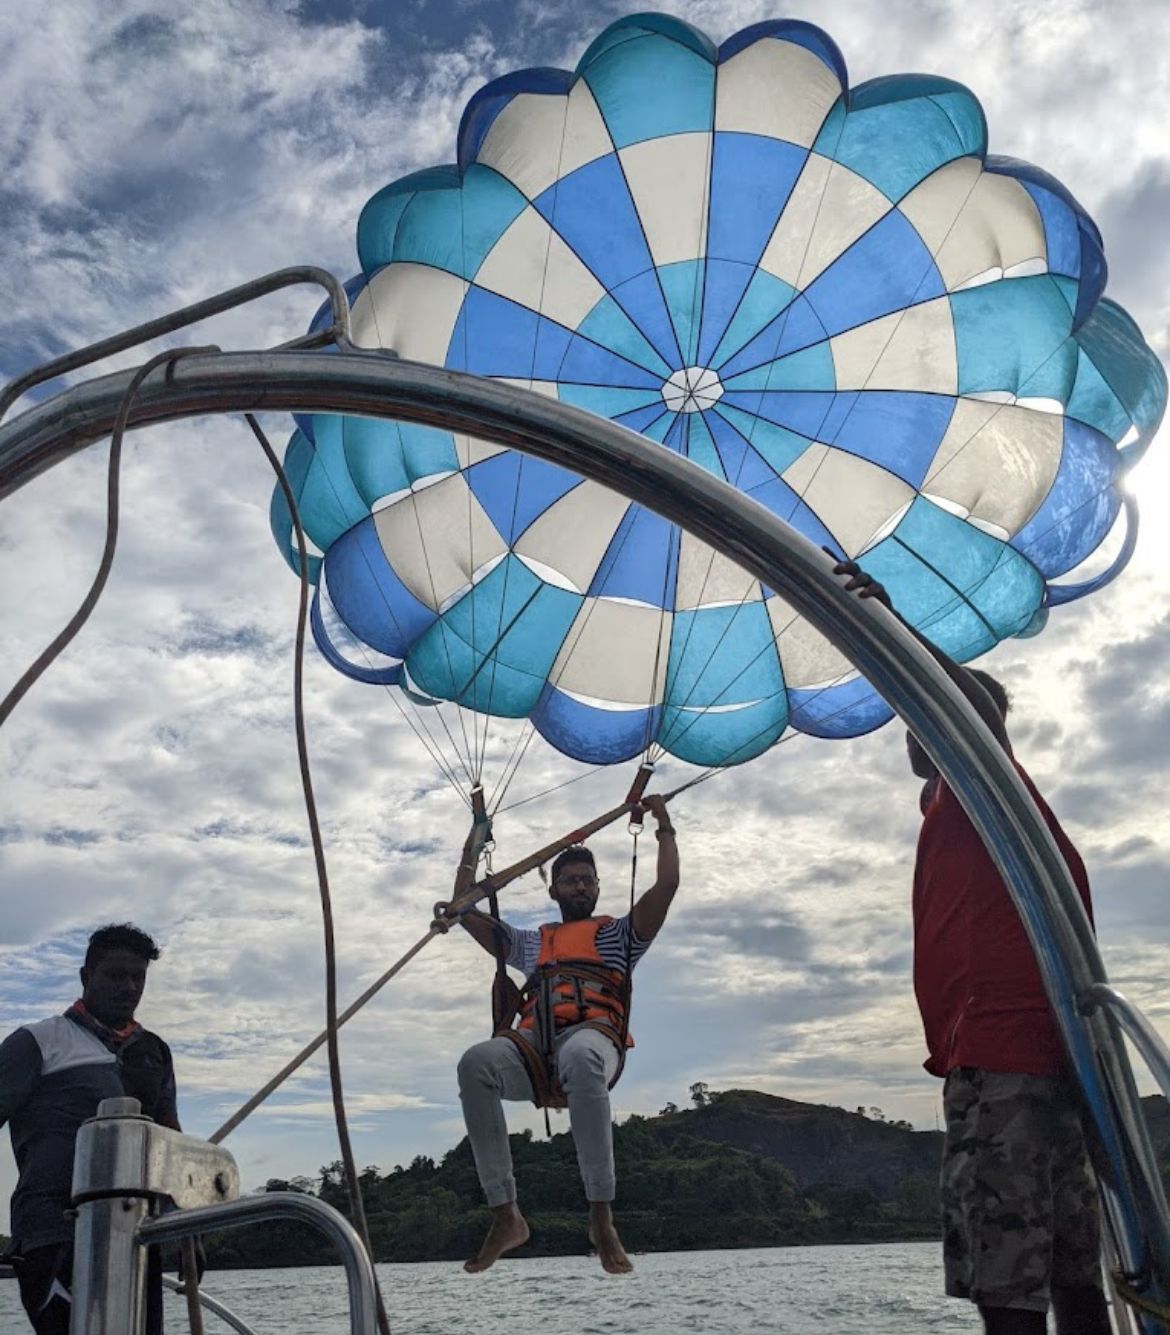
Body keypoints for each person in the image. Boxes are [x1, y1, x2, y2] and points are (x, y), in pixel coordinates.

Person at [832, 557, 1111, 1335]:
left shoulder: (985, 784)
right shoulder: (971, 809)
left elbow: (974, 713)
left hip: (1004, 1061)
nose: (916, 732)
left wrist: (886, 623)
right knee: (1068, 1270)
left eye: (930, 716)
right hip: (1049, 1062)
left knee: (1011, 1283)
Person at [439, 794, 679, 1276]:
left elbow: (667, 885)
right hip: (533, 1051)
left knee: (583, 1055)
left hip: (592, 1040)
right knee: (475, 1064)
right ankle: (506, 1215)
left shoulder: (620, 936)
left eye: (587, 880)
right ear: (553, 890)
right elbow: (464, 906)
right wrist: (474, 840)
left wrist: (663, 824)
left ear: (597, 887)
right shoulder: (534, 943)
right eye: (569, 880)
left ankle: (600, 1218)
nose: (579, 886)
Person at [0, 923, 181, 1335]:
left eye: (138, 978)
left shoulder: (154, 1052)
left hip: (140, 1234)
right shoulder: (38, 1042)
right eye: (117, 976)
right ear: (86, 976)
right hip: (54, 1233)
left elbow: (170, 1140)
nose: (129, 987)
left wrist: (191, 1230)